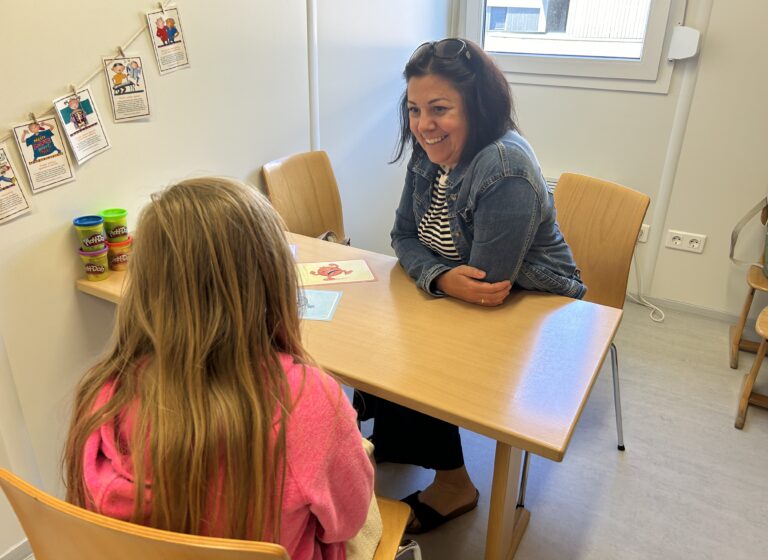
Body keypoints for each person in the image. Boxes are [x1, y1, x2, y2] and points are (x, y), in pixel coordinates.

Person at [63, 177, 377, 560]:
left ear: (146, 286)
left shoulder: (103, 392)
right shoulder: (310, 399)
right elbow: (346, 523)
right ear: (272, 279)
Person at [357, 38, 586, 534]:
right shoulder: (428, 154)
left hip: (538, 305)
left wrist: (434, 274)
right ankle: (399, 437)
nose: (423, 125)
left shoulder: (504, 167)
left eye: (439, 109)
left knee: (418, 357)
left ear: (476, 106)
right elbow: (400, 235)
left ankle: (456, 484)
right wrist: (437, 275)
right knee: (390, 340)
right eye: (415, 109)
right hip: (464, 292)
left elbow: (487, 285)